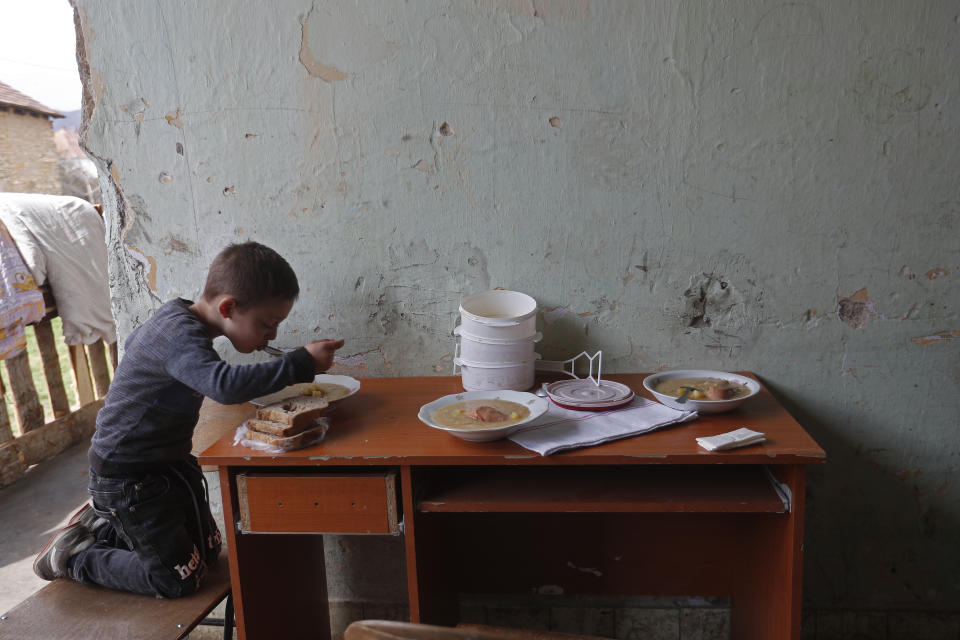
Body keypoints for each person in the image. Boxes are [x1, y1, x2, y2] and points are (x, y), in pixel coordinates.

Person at [32, 241, 344, 598]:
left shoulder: (178, 321)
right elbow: (225, 387)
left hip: (169, 463)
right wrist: (301, 363)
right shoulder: (178, 335)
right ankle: (74, 556)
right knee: (179, 579)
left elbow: (141, 348)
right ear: (227, 307)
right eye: (267, 324)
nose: (272, 335)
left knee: (208, 553)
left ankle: (106, 526)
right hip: (128, 476)